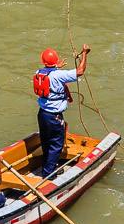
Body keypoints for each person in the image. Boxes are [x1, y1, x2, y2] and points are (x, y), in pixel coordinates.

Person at [34, 45, 90, 177]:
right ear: (56, 60)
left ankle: (47, 168)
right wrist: (85, 54)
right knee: (56, 145)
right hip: (54, 117)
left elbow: (50, 73)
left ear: (43, 61)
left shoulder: (38, 73)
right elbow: (80, 71)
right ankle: (48, 174)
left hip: (42, 114)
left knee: (46, 142)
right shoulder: (59, 75)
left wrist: (56, 67)